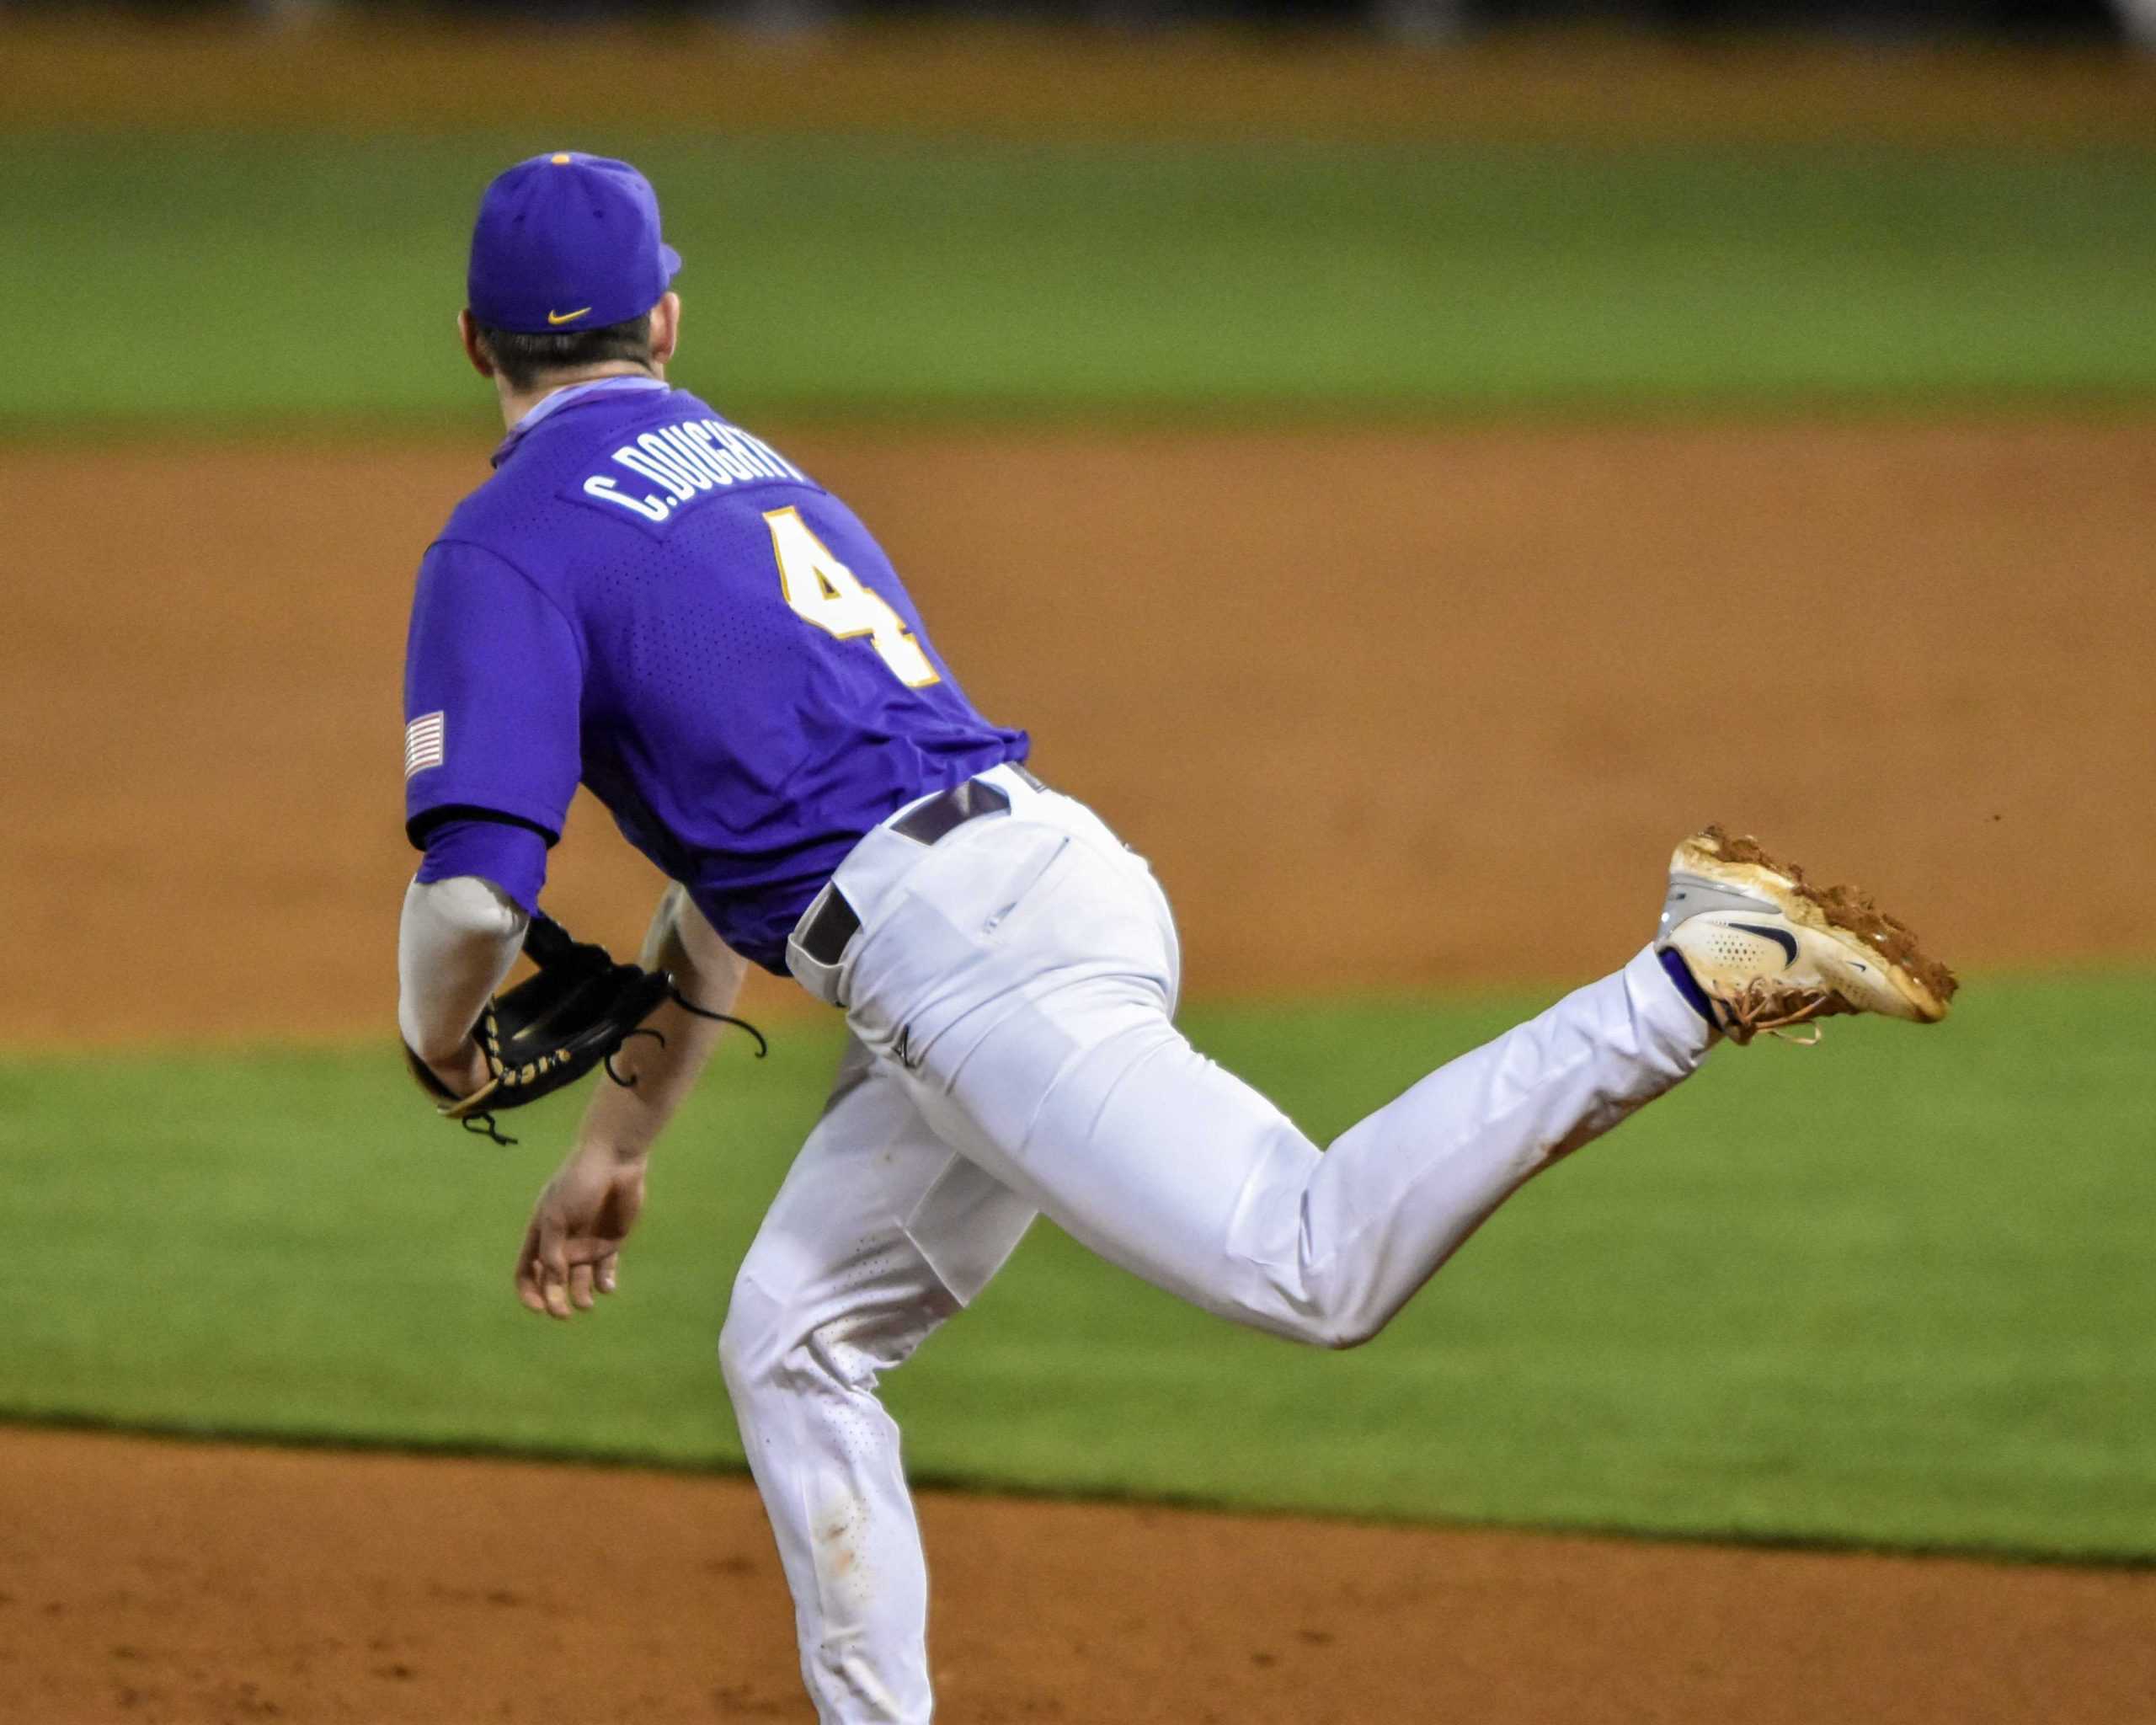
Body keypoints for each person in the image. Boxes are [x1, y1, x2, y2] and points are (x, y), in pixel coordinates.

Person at [397, 152, 1954, 1724]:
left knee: (1313, 1261)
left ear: (473, 340)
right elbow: (722, 886)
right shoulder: (747, 477)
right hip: (1035, 876)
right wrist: (619, 1143)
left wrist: (432, 1036)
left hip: (967, 965)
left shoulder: (508, 542)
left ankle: (1693, 976)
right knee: (791, 1337)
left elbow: (470, 896)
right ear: (665, 317)